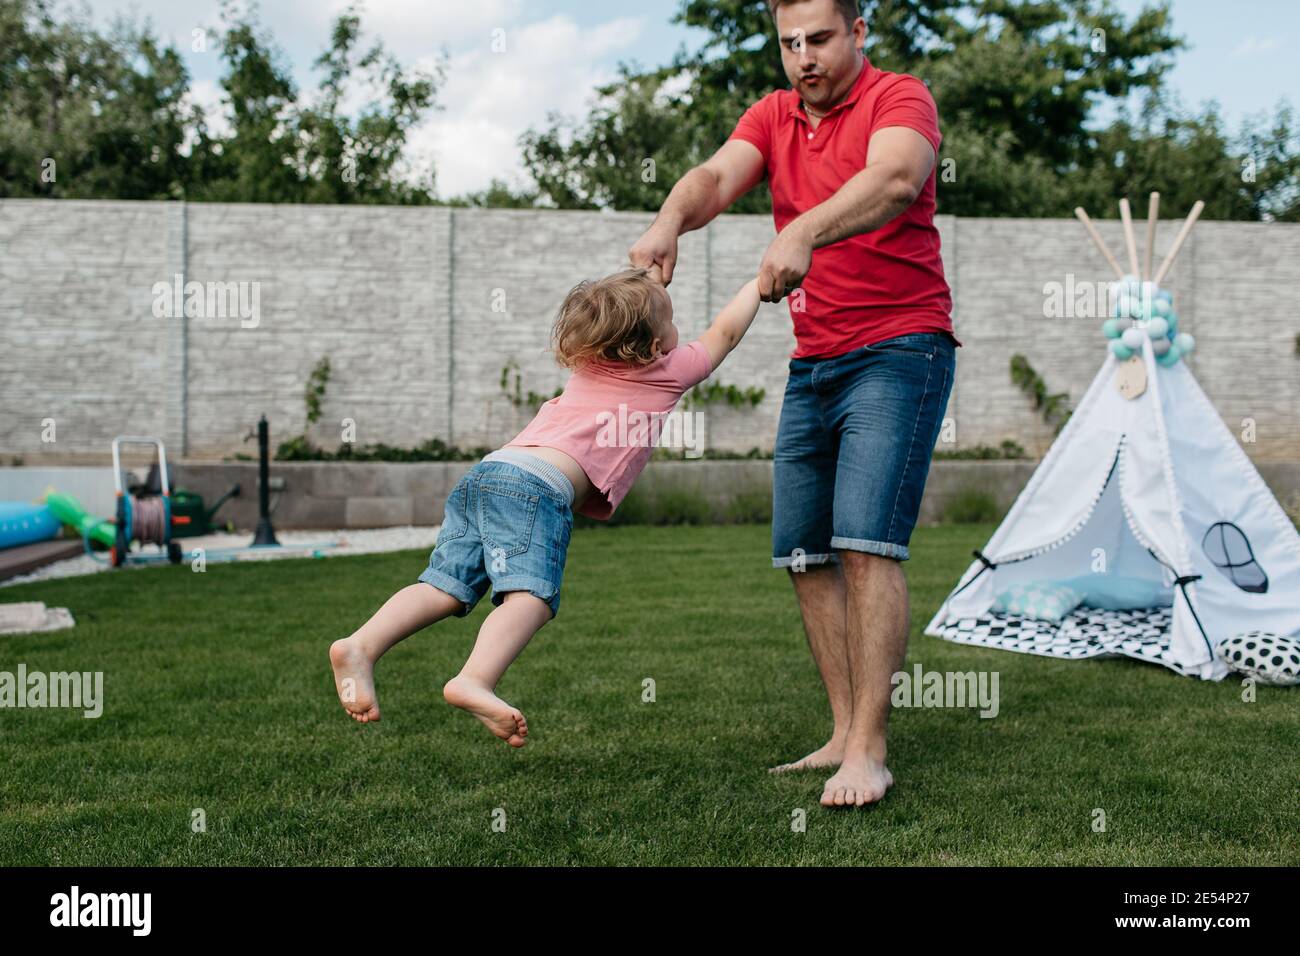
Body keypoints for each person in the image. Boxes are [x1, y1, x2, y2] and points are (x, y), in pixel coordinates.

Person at [629, 0, 958, 807]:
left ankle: (871, 752)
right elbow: (714, 177)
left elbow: (895, 178)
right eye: (789, 43)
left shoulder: (899, 97)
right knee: (805, 554)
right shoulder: (773, 116)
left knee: (866, 543)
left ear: (858, 32)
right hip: (814, 363)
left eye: (819, 38)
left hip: (901, 349)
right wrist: (672, 219)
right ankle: (842, 734)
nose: (803, 56)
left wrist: (805, 228)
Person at [330, 267, 762, 747]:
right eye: (672, 321)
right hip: (536, 489)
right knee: (530, 597)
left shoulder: (589, 364)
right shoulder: (667, 371)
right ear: (657, 345)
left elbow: (619, 314)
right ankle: (473, 678)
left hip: (489, 474)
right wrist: (758, 286)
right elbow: (724, 332)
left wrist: (647, 286)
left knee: (444, 586)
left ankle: (361, 645)